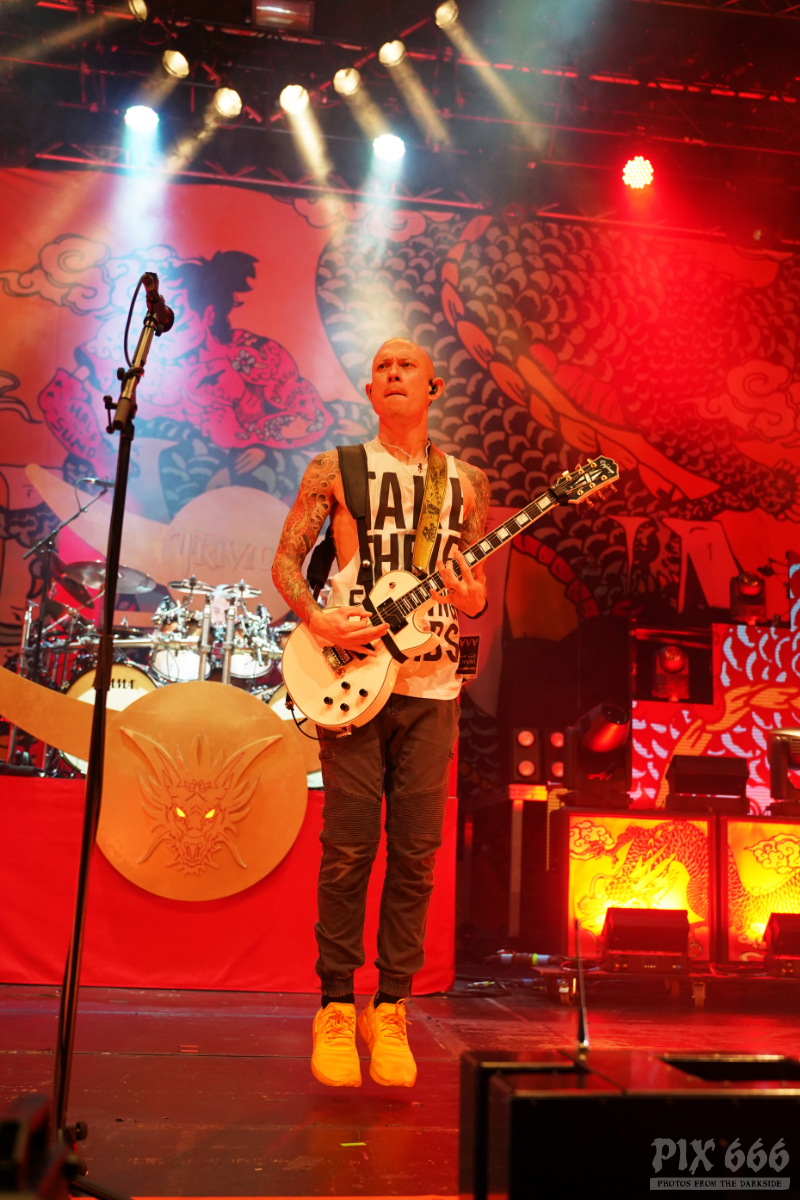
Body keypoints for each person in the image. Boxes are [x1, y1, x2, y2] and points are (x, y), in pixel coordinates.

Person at [272, 337, 489, 1088]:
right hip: (354, 679)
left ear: (434, 387)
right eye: (382, 369)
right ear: (370, 392)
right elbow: (286, 561)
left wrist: (473, 598)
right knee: (348, 848)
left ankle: (391, 1007)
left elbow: (473, 588)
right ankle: (337, 1006)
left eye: (407, 367)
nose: (393, 375)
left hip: (433, 687)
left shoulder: (467, 482)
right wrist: (316, 617)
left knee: (417, 855)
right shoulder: (335, 468)